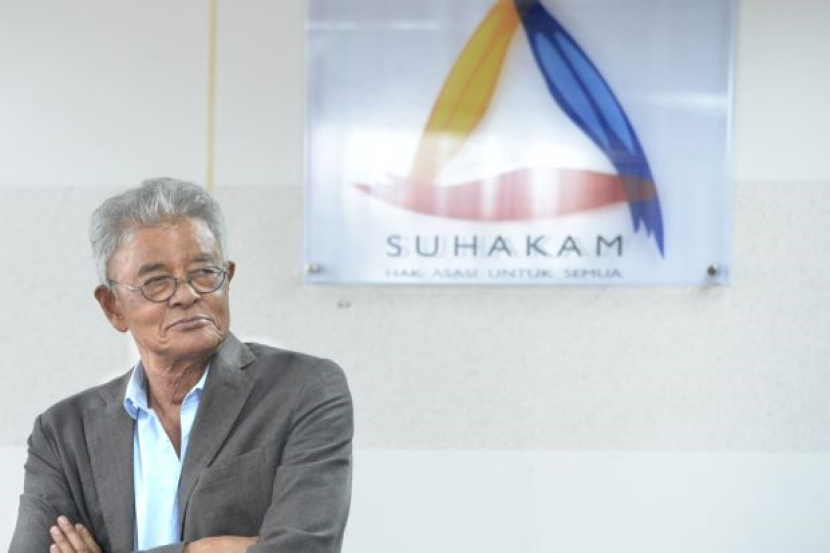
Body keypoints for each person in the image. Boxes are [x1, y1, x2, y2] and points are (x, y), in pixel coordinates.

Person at [10, 178, 353, 553]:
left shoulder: (303, 390)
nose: (187, 295)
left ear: (228, 279)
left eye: (204, 273)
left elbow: (303, 549)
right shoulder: (63, 433)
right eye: (157, 282)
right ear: (112, 307)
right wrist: (201, 549)